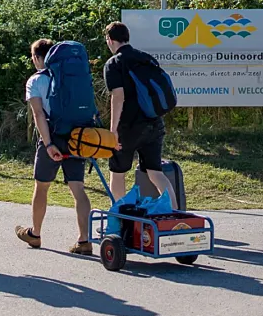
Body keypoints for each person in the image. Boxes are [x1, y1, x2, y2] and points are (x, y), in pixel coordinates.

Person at [15, 39, 93, 255]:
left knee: (42, 186)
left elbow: (39, 114)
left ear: (37, 58)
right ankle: (84, 240)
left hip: (53, 135)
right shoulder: (72, 78)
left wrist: (48, 144)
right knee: (78, 189)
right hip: (77, 136)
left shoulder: (36, 80)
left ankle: (35, 234)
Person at [103, 21, 175, 205]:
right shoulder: (147, 58)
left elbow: (118, 97)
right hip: (154, 122)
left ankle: (119, 218)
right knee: (155, 171)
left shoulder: (114, 63)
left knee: (118, 173)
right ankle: (176, 214)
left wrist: (113, 131)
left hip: (129, 126)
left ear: (110, 40)